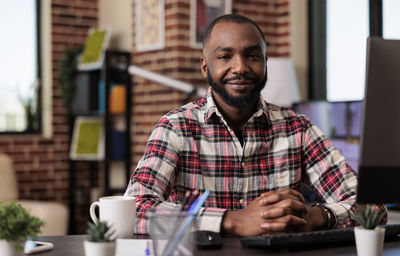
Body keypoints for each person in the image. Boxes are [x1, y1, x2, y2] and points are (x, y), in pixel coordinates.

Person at [124, 14, 387, 236]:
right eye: (225, 56)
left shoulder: (298, 128)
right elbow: (134, 209)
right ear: (205, 67)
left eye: (252, 56)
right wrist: (231, 220)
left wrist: (317, 216)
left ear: (264, 63)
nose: (240, 67)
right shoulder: (175, 128)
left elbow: (372, 207)